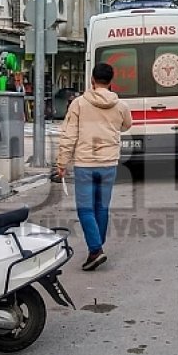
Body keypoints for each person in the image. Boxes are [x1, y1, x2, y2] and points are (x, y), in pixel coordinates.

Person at [56, 63, 132, 271]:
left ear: (92, 80)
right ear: (111, 81)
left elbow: (69, 134)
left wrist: (62, 162)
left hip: (85, 163)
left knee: (85, 209)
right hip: (109, 163)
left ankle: (96, 249)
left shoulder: (79, 104)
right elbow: (127, 125)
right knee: (102, 207)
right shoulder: (120, 105)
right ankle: (95, 249)